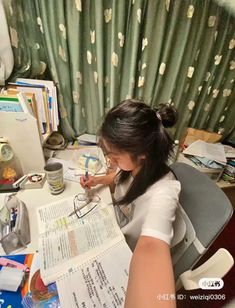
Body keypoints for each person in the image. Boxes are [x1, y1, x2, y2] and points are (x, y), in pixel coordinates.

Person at [80, 99, 180, 308]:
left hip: (125, 252)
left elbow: (152, 248)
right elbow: (115, 178)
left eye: (114, 156)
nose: (110, 161)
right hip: (112, 232)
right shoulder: (130, 166)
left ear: (143, 153)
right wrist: (96, 181)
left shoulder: (165, 192)